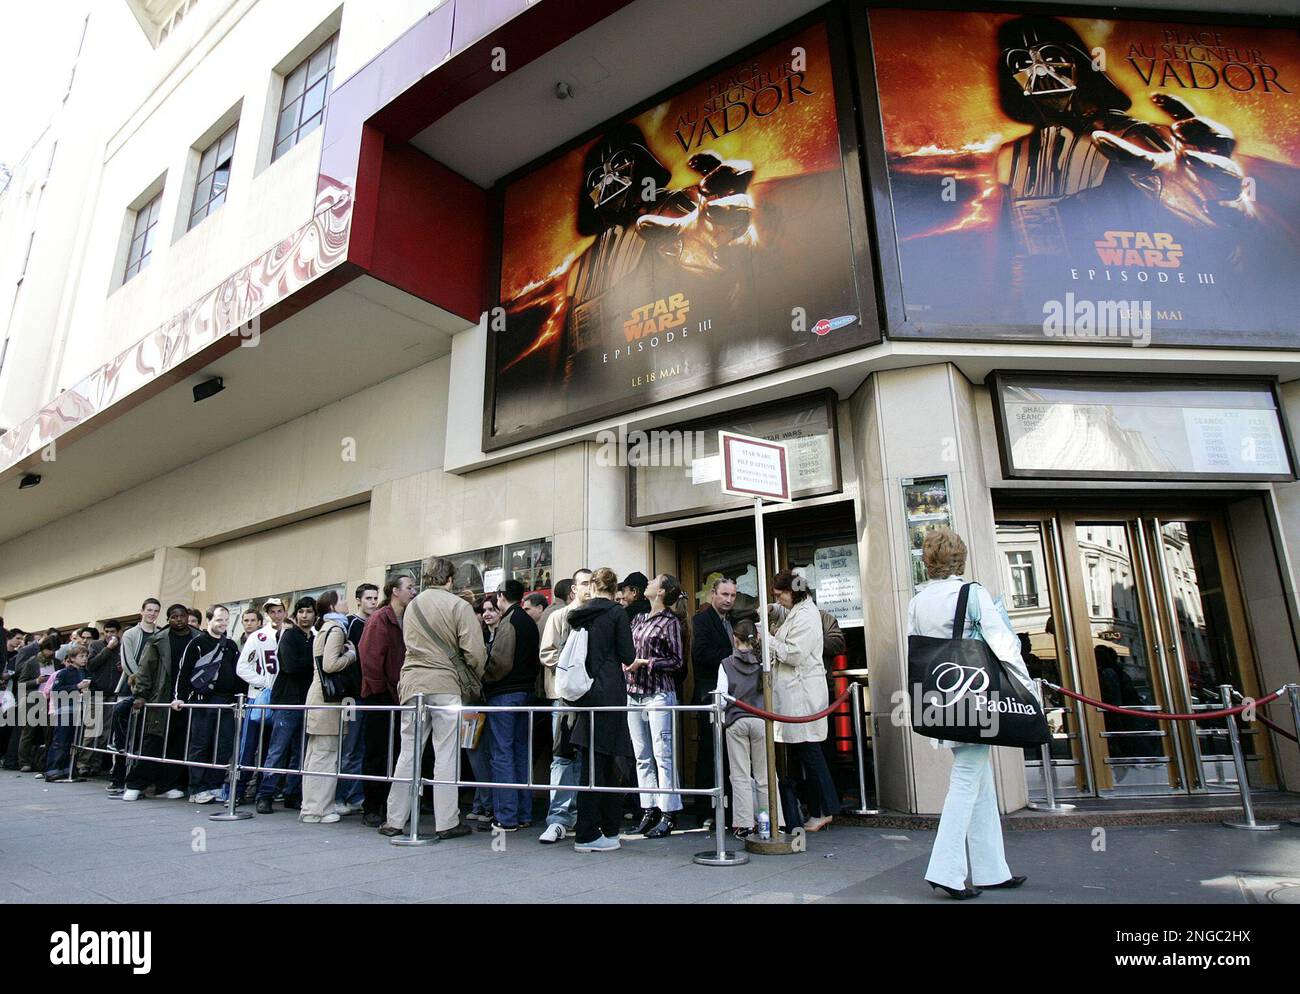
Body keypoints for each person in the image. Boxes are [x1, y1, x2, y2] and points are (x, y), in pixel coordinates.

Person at [908, 527, 1029, 899]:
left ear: (928, 562)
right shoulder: (972, 593)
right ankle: (945, 870)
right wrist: (1025, 682)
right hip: (975, 697)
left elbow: (917, 649)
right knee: (966, 781)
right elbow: (1003, 643)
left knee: (980, 783)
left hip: (942, 697)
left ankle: (993, 870)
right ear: (960, 558)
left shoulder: (918, 600)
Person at [382, 557, 485, 841]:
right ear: (450, 579)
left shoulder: (412, 606)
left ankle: (394, 819)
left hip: (412, 683)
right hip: (445, 684)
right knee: (446, 752)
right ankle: (447, 821)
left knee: (409, 751)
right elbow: (474, 651)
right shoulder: (458, 606)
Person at [566, 567, 636, 853]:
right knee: (606, 764)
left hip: (584, 693)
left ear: (593, 586)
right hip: (609, 693)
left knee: (591, 764)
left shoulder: (578, 614)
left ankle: (597, 829)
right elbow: (628, 655)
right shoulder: (617, 613)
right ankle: (591, 832)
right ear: (614, 588)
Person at [768, 569, 836, 832]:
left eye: (780, 595)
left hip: (802, 694)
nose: (779, 600)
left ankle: (823, 809)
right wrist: (774, 610)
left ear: (791, 592)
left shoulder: (806, 615)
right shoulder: (803, 609)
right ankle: (818, 809)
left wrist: (770, 641)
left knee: (810, 752)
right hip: (798, 694)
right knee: (807, 753)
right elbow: (787, 614)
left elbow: (794, 654)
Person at [624, 573, 688, 838]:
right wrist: (626, 662)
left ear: (661, 592)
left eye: (654, 581)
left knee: (663, 754)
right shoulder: (639, 618)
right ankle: (648, 808)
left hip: (659, 693)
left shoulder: (670, 621)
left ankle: (669, 812)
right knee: (642, 755)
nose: (649, 583)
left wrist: (647, 662)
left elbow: (677, 660)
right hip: (634, 691)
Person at [482, 579, 541, 832]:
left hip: (505, 695)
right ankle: (524, 813)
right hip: (527, 694)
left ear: (501, 596)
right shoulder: (529, 621)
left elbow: (501, 663)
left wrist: (485, 678)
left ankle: (506, 817)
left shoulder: (510, 621)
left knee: (502, 755)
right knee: (520, 754)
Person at [123, 605, 199, 801]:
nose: (179, 620)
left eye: (183, 616)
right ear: (168, 619)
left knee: (178, 742)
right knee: (153, 741)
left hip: (187, 698)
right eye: (174, 617)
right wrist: (141, 694)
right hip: (161, 697)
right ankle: (135, 784)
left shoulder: (198, 638)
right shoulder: (158, 639)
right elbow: (145, 668)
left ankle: (167, 784)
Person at [536, 570, 590, 844]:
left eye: (591, 583)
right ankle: (559, 817)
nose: (588, 588)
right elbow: (547, 653)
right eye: (583, 583)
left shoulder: (595, 617)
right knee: (562, 756)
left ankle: (579, 814)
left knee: (582, 756)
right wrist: (572, 669)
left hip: (588, 698)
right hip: (562, 695)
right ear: (573, 589)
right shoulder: (559, 616)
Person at [716, 620, 783, 839]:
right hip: (761, 720)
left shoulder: (726, 663)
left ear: (734, 638)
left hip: (736, 720)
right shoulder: (764, 662)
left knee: (740, 775)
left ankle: (744, 824)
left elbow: (721, 698)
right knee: (766, 775)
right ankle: (773, 821)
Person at [172, 605, 244, 803]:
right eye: (219, 619)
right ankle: (197, 788)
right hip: (202, 701)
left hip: (227, 702)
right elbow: (183, 672)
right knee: (200, 744)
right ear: (209, 621)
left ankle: (215, 785)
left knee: (223, 745)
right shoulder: (197, 643)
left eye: (226, 620)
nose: (223, 624)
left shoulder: (230, 645)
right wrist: (179, 697)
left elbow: (237, 673)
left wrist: (240, 698)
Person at [358, 575, 414, 827]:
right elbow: (369, 658)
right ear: (395, 591)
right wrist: (381, 689)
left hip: (399, 693)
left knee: (396, 751)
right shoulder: (381, 618)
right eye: (409, 588)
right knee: (377, 752)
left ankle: (390, 805)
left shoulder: (408, 618)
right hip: (381, 695)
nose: (413, 592)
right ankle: (372, 805)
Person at [299, 591, 357, 824]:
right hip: (327, 701)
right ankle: (317, 809)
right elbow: (330, 664)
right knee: (325, 754)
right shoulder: (336, 629)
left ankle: (313, 805)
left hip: (319, 698)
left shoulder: (325, 628)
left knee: (317, 754)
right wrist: (351, 655)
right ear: (333, 605)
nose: (346, 602)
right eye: (342, 598)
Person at [255, 597, 317, 814]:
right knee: (278, 749)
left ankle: (292, 793)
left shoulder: (315, 638)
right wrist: (314, 663)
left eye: (309, 612)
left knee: (299, 751)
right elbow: (290, 665)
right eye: (301, 612)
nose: (305, 616)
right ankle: (266, 794)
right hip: (287, 701)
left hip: (306, 701)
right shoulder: (289, 636)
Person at [691, 576, 736, 826]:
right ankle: (706, 810)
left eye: (732, 595)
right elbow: (700, 654)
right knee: (710, 752)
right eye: (724, 595)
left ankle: (727, 808)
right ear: (713, 595)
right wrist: (735, 653)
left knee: (727, 754)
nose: (728, 600)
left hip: (732, 696)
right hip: (710, 694)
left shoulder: (733, 620)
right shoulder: (702, 620)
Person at [108, 600, 162, 795]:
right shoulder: (130, 634)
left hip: (150, 692)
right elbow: (127, 660)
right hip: (129, 688)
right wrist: (139, 681)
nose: (152, 614)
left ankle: (139, 779)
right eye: (149, 610)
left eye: (156, 611)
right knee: (123, 735)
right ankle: (118, 778)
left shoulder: (160, 633)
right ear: (142, 611)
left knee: (141, 737)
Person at [335, 583, 380, 815]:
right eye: (369, 598)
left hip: (369, 695)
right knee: (350, 747)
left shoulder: (376, 622)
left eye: (375, 597)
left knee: (363, 747)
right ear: (359, 600)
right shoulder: (352, 624)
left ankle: (355, 795)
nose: (373, 601)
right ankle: (340, 795)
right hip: (352, 696)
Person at [232, 603, 280, 805]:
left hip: (280, 699)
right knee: (248, 746)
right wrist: (264, 682)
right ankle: (238, 789)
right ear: (267, 615)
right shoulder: (258, 637)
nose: (276, 615)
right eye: (272, 611)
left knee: (272, 748)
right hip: (258, 697)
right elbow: (242, 667)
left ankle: (263, 791)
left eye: (279, 611)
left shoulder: (291, 634)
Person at [465, 594, 501, 824]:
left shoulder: (499, 636)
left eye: (491, 609)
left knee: (482, 753)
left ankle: (486, 804)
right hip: (473, 701)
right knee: (474, 750)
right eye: (484, 610)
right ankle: (482, 802)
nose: (487, 614)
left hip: (486, 701)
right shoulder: (478, 636)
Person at [43, 645, 91, 781]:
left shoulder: (86, 673)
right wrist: (76, 687)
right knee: (60, 740)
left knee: (74, 740)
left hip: (79, 709)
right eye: (81, 656)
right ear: (72, 658)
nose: (84, 659)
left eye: (86, 656)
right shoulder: (64, 673)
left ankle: (68, 768)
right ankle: (52, 769)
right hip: (64, 710)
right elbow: (57, 690)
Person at [16, 637, 58, 772]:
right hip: (32, 699)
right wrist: (36, 681)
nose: (50, 653)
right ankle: (24, 762)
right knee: (28, 732)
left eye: (53, 650)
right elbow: (21, 684)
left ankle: (46, 761)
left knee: (48, 732)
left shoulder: (56, 663)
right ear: (42, 649)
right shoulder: (32, 662)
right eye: (48, 650)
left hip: (49, 701)